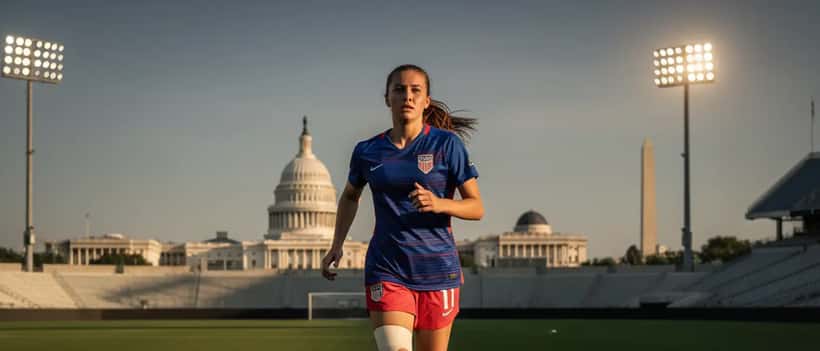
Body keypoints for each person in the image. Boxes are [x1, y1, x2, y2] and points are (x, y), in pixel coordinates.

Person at [321, 64, 484, 351]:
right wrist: (337, 243)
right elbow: (349, 196)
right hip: (387, 268)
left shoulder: (447, 145)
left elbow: (476, 207)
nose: (407, 96)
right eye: (399, 89)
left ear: (425, 101)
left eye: (415, 90)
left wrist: (440, 203)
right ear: (387, 98)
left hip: (438, 270)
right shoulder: (367, 151)